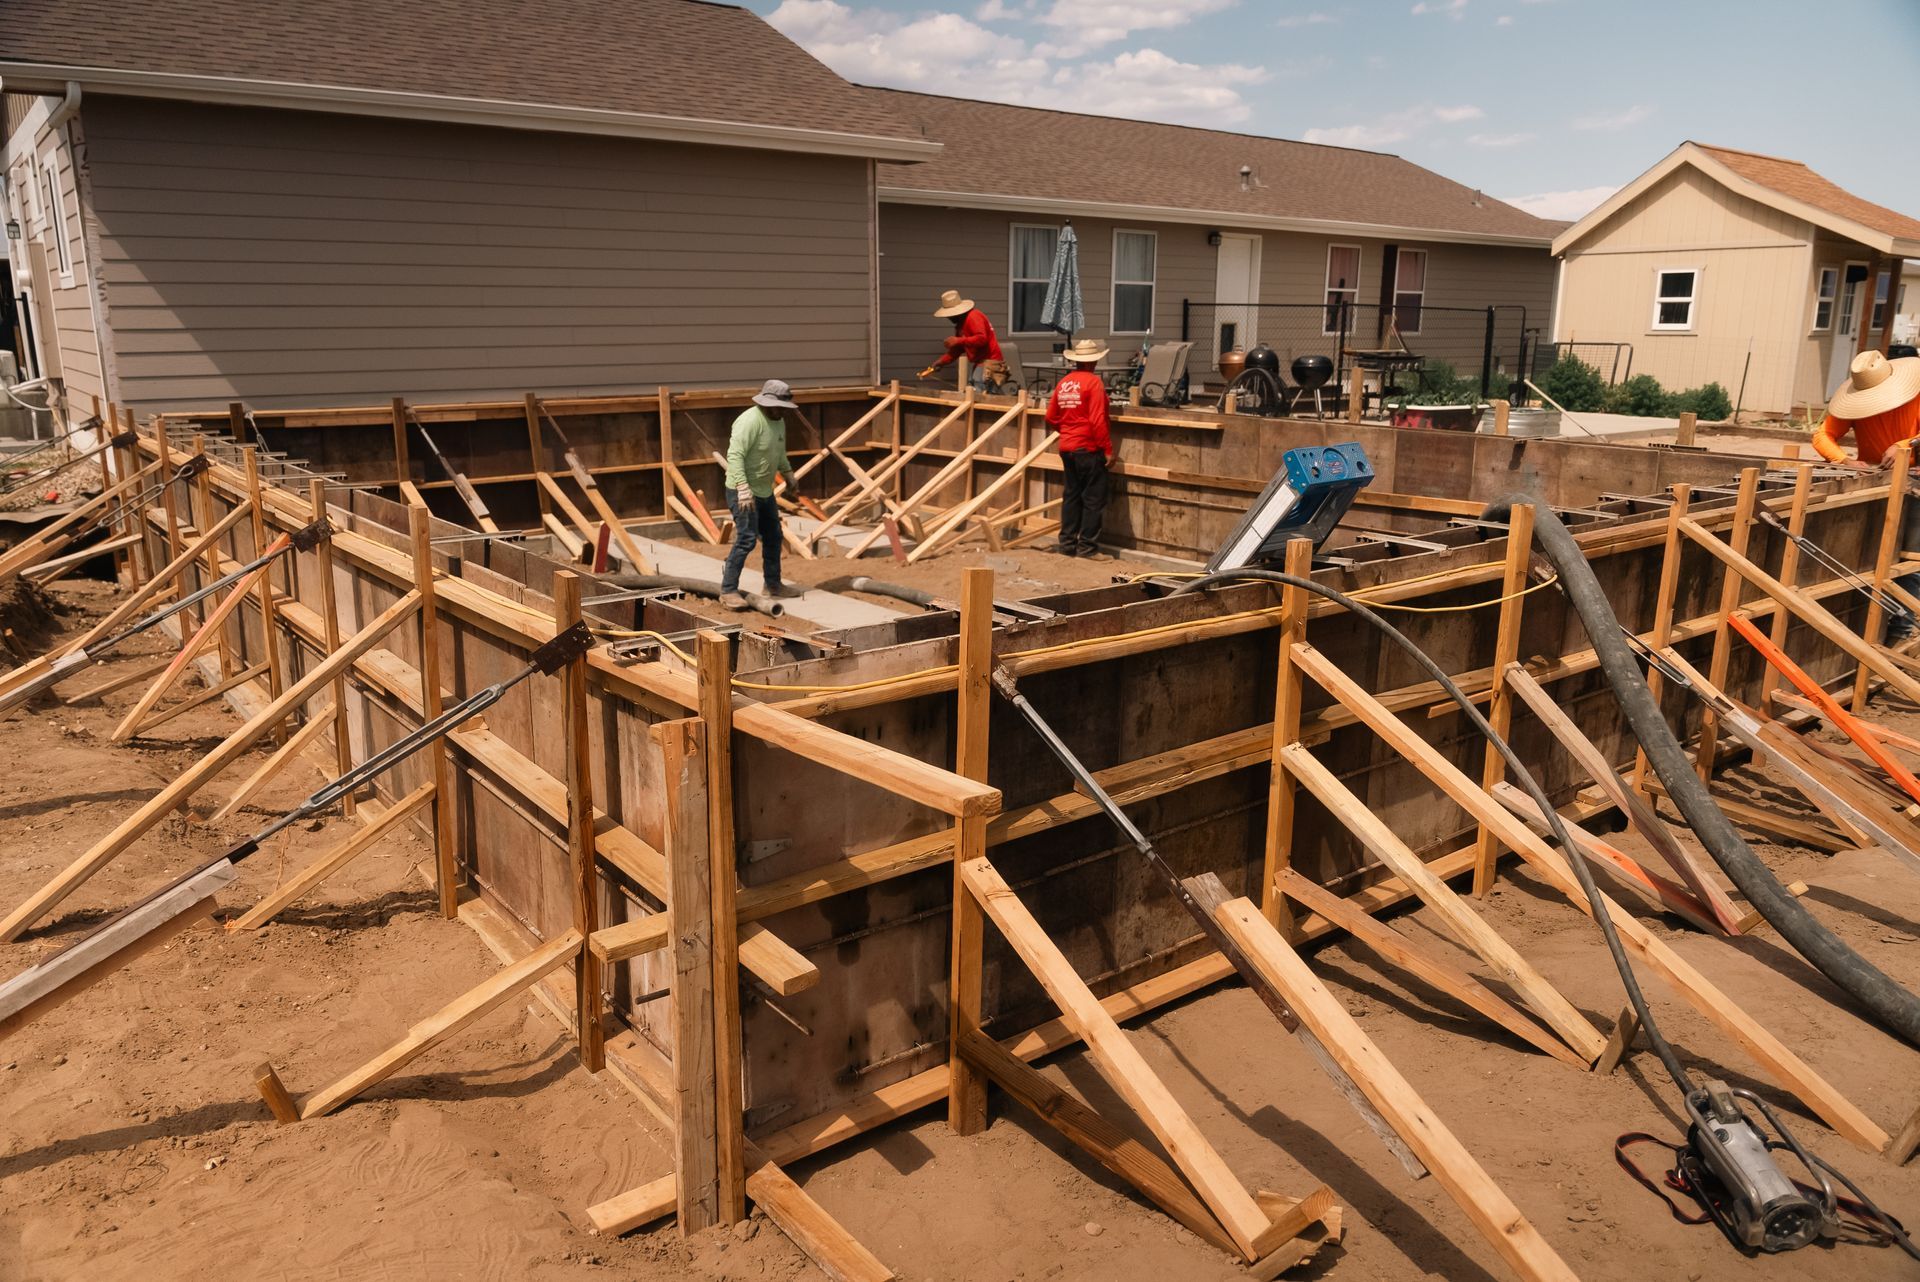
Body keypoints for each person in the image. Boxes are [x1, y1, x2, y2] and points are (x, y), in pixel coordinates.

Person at [1811, 349, 1920, 638]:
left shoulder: (1917, 396)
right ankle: (1872, 629)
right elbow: (1822, 435)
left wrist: (1907, 444)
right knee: (1870, 556)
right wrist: (1844, 461)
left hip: (1915, 480)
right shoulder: (1856, 403)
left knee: (1910, 558)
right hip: (1874, 480)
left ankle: (1903, 630)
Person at [719, 379, 806, 610]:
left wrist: (788, 474)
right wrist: (743, 488)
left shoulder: (778, 422)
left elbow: (779, 451)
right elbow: (735, 456)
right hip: (743, 491)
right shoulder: (749, 421)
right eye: (780, 408)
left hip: (764, 491)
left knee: (774, 536)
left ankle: (773, 584)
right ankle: (728, 590)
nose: (783, 413)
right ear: (767, 403)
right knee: (746, 539)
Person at [1046, 337, 1113, 560]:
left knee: (1072, 496)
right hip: (1088, 447)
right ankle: (1087, 548)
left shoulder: (1064, 382)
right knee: (1093, 499)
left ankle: (1066, 545)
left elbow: (1051, 417)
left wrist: (1067, 430)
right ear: (1094, 362)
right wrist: (1107, 449)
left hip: (1067, 447)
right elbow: (1097, 419)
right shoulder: (1093, 383)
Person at [919, 289, 1008, 390]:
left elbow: (982, 339)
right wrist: (942, 361)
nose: (948, 318)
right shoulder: (960, 325)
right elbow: (958, 349)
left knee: (978, 393)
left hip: (990, 361)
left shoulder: (973, 316)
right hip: (980, 363)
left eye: (950, 315)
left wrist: (958, 340)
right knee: (973, 389)